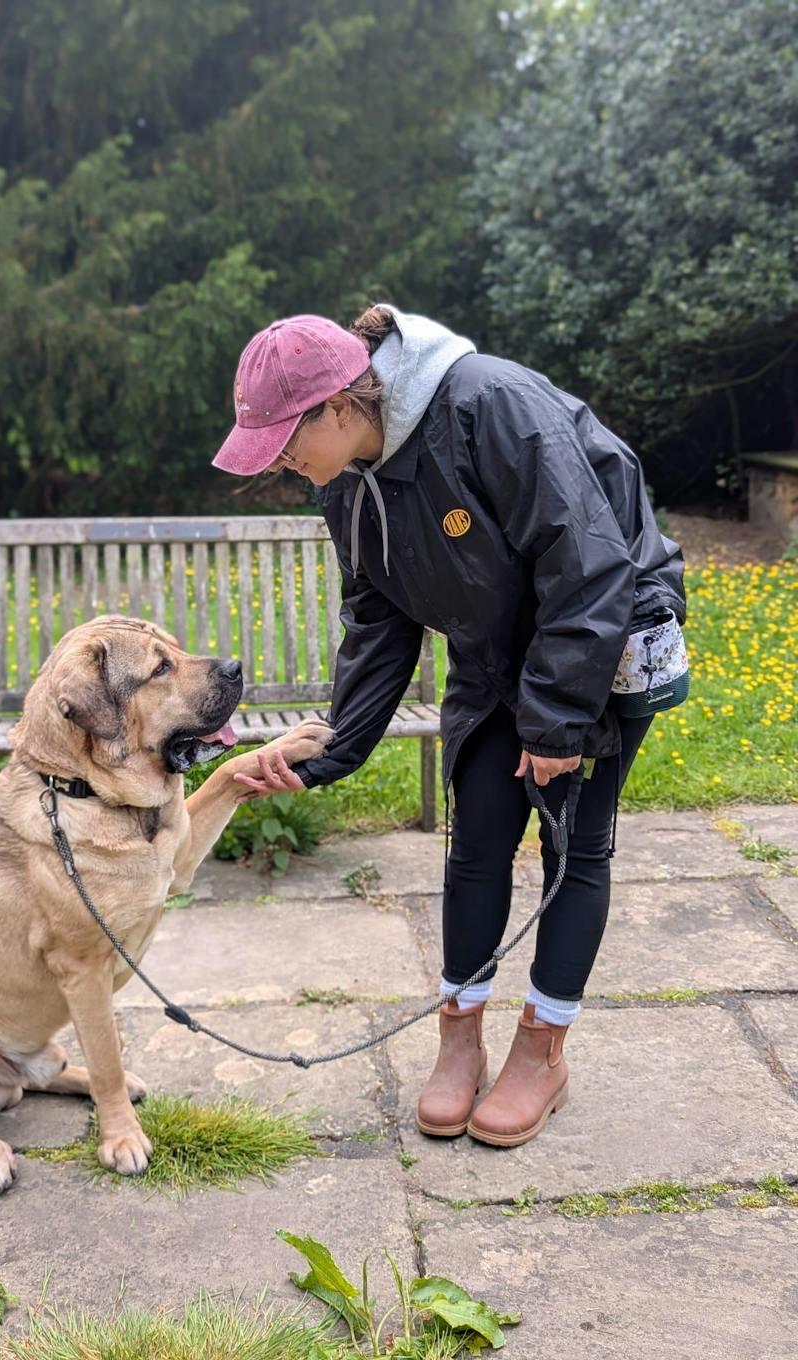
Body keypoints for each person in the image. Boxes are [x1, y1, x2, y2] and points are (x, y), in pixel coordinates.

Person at [210, 305, 686, 1148]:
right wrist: (330, 750)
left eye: (285, 441)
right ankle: (459, 1040)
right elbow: (379, 618)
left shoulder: (489, 405)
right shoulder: (344, 481)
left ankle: (542, 1052)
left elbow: (587, 561)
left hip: (600, 637)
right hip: (492, 645)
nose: (281, 463)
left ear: (340, 405)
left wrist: (556, 722)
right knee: (476, 838)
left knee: (575, 846)